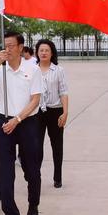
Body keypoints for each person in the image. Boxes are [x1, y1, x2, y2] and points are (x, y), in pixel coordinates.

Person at [0, 31, 42, 215]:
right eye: (5, 45)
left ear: (20, 47)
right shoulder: (1, 68)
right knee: (6, 173)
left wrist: (17, 120)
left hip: (26, 123)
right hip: (3, 122)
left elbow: (35, 100)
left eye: (11, 45)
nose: (7, 49)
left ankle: (33, 203)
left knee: (31, 170)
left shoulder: (32, 69)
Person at [35, 39, 69, 188]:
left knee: (57, 145)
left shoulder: (58, 70)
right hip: (37, 112)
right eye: (41, 50)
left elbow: (63, 92)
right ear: (37, 52)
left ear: (51, 53)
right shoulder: (32, 70)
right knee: (36, 146)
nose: (43, 53)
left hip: (55, 111)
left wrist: (65, 112)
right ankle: (35, 176)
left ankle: (58, 177)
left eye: (46, 50)